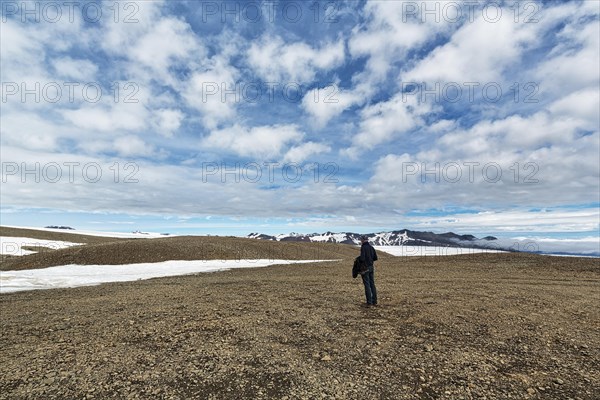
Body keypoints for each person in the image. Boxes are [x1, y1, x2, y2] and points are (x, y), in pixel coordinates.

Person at [359, 235, 378, 307]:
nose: (360, 241)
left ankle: (369, 302)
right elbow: (375, 258)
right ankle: (374, 301)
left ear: (363, 240)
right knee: (372, 284)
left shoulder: (363, 247)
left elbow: (362, 259)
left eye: (361, 240)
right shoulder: (371, 247)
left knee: (367, 285)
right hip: (371, 267)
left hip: (365, 268)